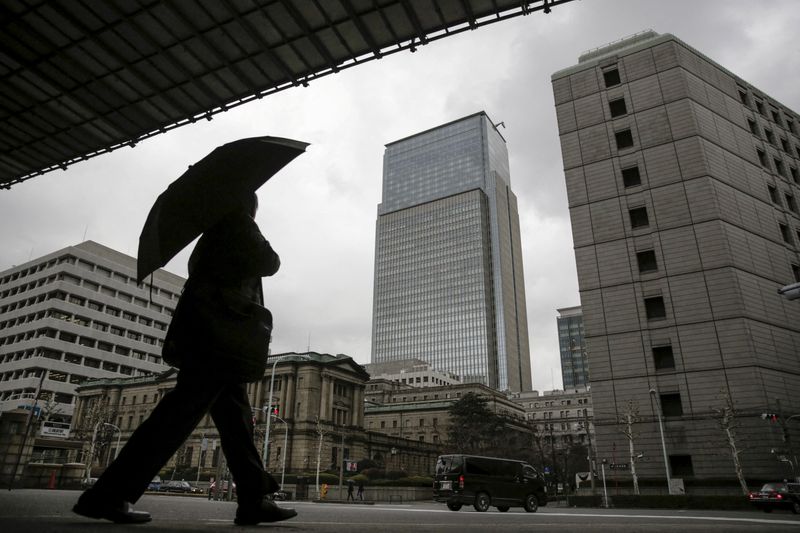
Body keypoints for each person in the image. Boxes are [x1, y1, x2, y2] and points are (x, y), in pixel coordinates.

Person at [73, 194, 296, 525]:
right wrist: (249, 221)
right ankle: (107, 494)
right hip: (218, 338)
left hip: (211, 336)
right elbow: (270, 262)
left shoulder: (210, 236)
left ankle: (253, 498)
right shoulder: (235, 223)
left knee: (236, 423)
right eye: (254, 205)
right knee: (175, 418)